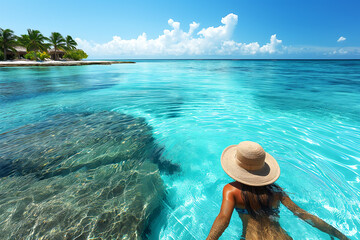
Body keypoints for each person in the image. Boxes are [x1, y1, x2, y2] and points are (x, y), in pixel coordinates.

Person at [207, 141, 350, 240]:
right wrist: (338, 234)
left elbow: (223, 220)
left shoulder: (231, 190)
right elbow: (302, 214)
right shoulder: (275, 191)